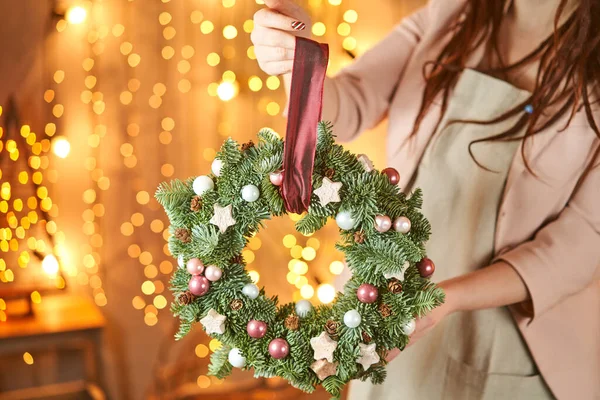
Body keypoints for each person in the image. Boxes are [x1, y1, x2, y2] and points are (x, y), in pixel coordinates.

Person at [251, 0, 600, 399]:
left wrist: (443, 300)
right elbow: (344, 109)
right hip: (396, 315)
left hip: (508, 345)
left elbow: (580, 245)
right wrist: (298, 58)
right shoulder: (450, 16)